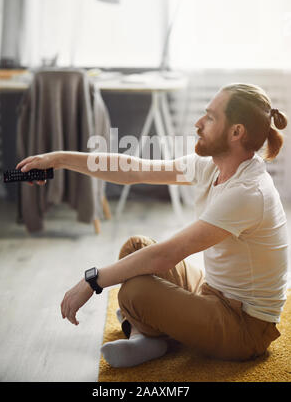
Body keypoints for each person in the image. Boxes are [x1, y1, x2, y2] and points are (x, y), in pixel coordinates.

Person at [16, 83, 289, 368]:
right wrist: (57, 160)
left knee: (134, 292)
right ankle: (146, 336)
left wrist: (91, 281)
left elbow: (166, 255)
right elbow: (133, 169)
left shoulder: (248, 192)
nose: (198, 123)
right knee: (135, 248)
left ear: (236, 132)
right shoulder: (213, 165)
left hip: (243, 326)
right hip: (213, 291)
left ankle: (146, 332)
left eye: (209, 117)